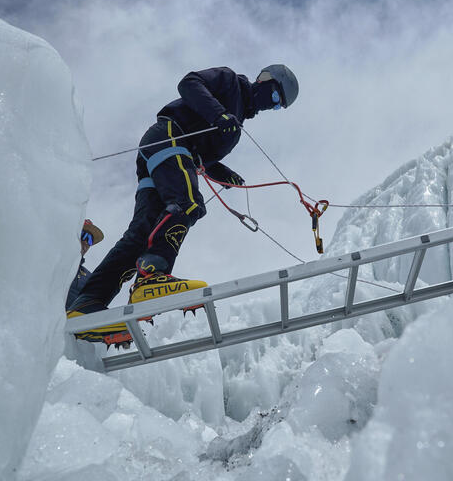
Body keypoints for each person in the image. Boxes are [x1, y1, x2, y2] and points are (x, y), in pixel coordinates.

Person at [66, 65, 299, 340]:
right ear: (264, 79)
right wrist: (219, 114)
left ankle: (87, 302)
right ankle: (151, 276)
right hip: (168, 137)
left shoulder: (235, 125)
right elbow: (189, 83)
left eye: (277, 107)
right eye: (275, 97)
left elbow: (200, 158)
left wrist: (221, 172)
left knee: (142, 233)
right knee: (188, 202)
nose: (270, 106)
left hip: (162, 151)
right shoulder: (230, 82)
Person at [65, 219, 104, 310]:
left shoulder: (90, 277)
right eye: (84, 235)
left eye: (90, 240)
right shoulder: (52, 262)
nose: (86, 242)